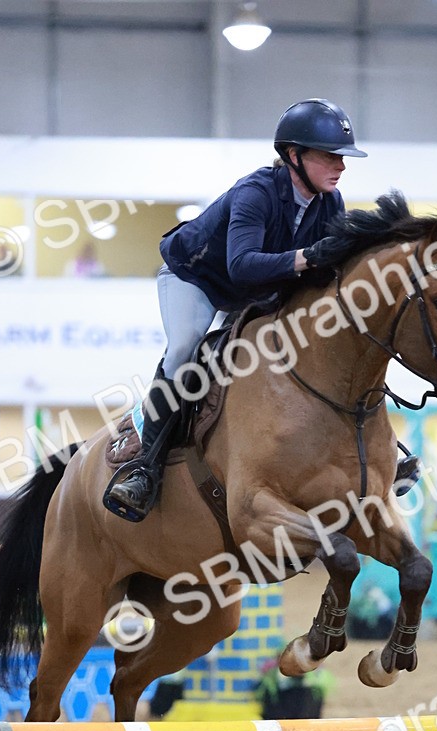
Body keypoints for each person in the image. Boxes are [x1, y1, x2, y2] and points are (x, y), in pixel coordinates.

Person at [103, 97, 366, 523]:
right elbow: (241, 265)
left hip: (254, 290)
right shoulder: (255, 192)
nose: (340, 166)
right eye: (329, 156)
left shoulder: (330, 203)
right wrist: (308, 257)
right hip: (197, 279)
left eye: (342, 156)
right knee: (186, 348)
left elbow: (318, 267)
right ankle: (144, 468)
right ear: (293, 156)